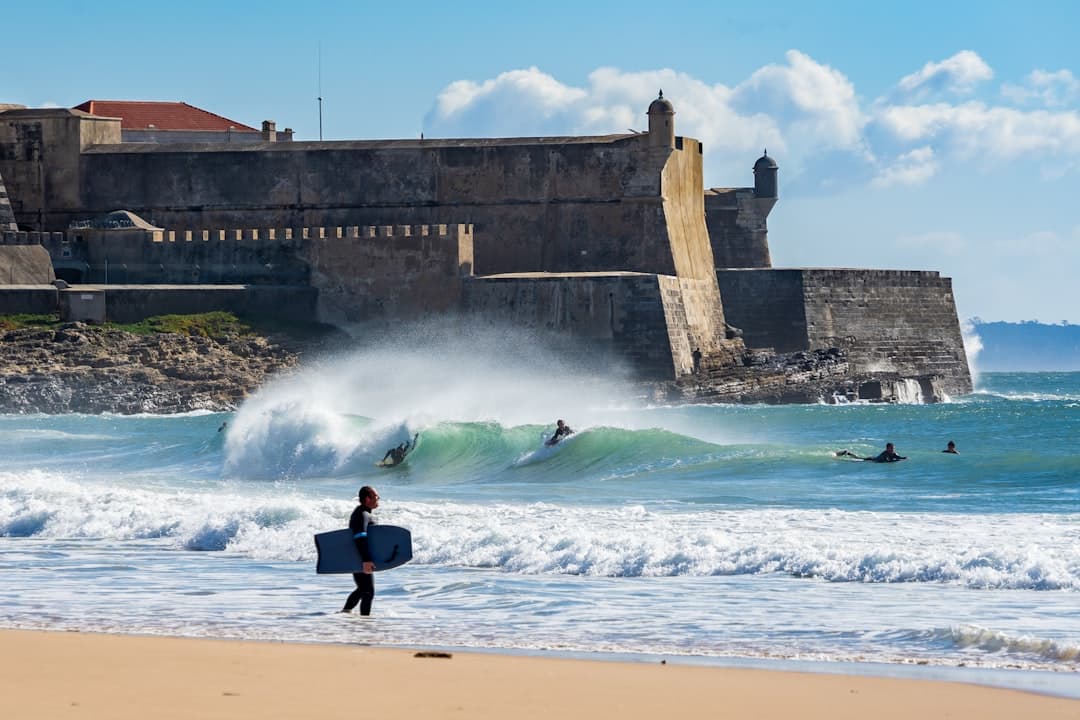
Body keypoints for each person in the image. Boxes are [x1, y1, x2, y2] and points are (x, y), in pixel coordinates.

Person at [341, 485, 379, 615]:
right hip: (360, 557)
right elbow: (359, 536)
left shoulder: (364, 513)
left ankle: (345, 612)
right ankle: (365, 623)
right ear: (368, 499)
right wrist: (366, 560)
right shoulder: (362, 514)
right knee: (367, 591)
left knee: (364, 589)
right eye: (375, 496)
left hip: (359, 556)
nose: (378, 499)